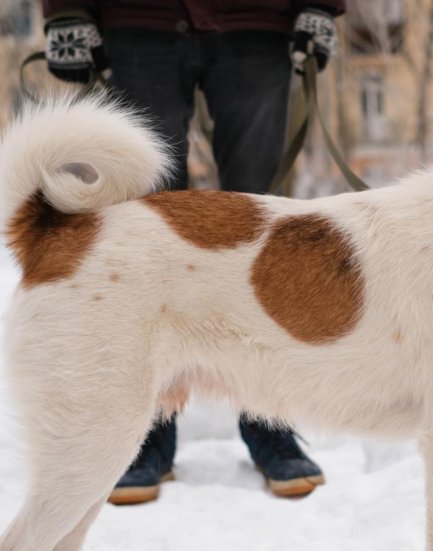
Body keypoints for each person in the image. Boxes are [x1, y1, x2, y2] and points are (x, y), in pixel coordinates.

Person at [41, 0, 346, 503]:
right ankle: (147, 431)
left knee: (264, 240)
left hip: (256, 20)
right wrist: (66, 10)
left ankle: (268, 422)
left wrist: (321, 6)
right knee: (147, 234)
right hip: (140, 22)